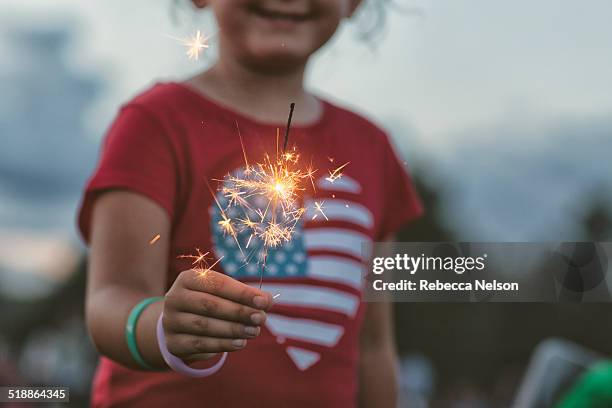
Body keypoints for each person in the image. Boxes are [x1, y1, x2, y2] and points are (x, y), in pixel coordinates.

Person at [78, 0, 423, 406]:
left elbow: (374, 347)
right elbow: (110, 300)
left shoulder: (372, 150)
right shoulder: (154, 124)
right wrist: (160, 328)